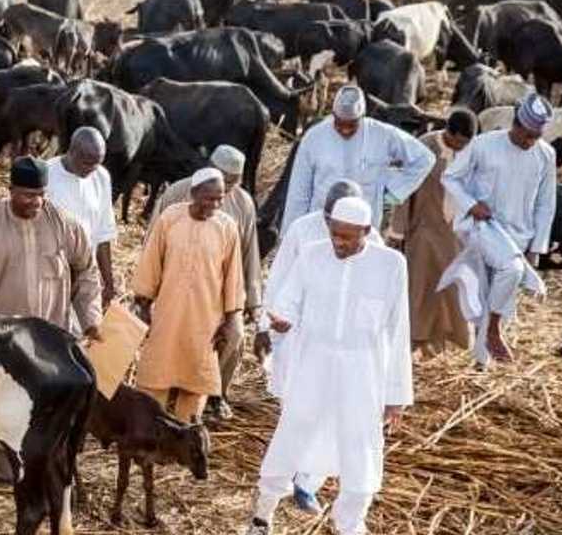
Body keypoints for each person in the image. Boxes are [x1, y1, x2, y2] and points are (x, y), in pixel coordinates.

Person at [237, 196, 412, 535]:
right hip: (313, 364)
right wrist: (279, 320)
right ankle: (260, 524)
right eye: (334, 234)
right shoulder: (313, 254)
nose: (339, 243)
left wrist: (396, 393)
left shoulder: (390, 266)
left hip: (363, 373)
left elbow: (397, 328)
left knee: (360, 460)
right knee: (288, 441)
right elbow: (287, 300)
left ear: (368, 233)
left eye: (348, 238)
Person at [0, 156, 102, 482]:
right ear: (11, 189)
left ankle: (47, 468)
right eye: (28, 195)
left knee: (49, 403)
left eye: (41, 194)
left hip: (49, 335)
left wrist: (90, 318)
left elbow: (86, 270)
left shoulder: (64, 223)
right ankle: (6, 472)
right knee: (5, 405)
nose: (36, 202)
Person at [255, 179, 384, 515]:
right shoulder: (302, 230)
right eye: (329, 222)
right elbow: (280, 278)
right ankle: (286, 474)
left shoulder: (374, 246)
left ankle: (308, 484)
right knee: (298, 410)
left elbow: (381, 305)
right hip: (301, 341)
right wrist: (267, 325)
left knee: (336, 416)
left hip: (346, 351)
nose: (334, 232)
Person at [147, 145, 261, 421]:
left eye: (234, 181)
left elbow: (247, 254)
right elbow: (153, 243)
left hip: (214, 295)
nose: (226, 188)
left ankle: (214, 394)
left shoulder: (243, 204)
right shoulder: (176, 194)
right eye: (224, 178)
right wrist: (147, 293)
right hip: (173, 289)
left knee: (232, 338)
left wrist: (251, 302)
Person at [440, 94, 557, 364]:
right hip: (482, 227)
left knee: (492, 294)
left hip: (518, 235)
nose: (529, 142)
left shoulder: (546, 155)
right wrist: (471, 205)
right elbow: (451, 177)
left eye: (535, 137)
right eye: (526, 135)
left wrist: (537, 248)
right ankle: (493, 330)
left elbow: (545, 204)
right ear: (515, 125)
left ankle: (482, 363)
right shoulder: (484, 145)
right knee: (512, 270)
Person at [132, 168, 244, 424]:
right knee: (154, 379)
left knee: (195, 384)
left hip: (205, 320)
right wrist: (143, 304)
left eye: (219, 198)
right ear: (193, 194)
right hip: (168, 315)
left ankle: (183, 438)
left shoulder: (227, 228)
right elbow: (151, 263)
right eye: (208, 198)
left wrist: (231, 318)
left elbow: (233, 277)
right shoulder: (170, 219)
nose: (214, 204)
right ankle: (151, 435)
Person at [281, 85, 435, 237]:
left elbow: (424, 159)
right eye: (340, 124)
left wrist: (393, 193)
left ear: (362, 117)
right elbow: (298, 191)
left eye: (352, 125)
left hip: (363, 226)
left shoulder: (382, 134)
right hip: (321, 225)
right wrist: (289, 234)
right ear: (333, 115)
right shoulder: (314, 137)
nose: (345, 130)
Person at [388, 109, 477, 356]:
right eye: (458, 142)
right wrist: (397, 231)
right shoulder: (423, 148)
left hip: (455, 232)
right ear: (448, 133)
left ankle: (450, 338)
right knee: (421, 286)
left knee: (454, 286)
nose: (461, 147)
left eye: (466, 144)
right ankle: (417, 338)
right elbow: (403, 192)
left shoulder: (471, 153)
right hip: (424, 229)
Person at [46, 127, 117, 310]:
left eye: (97, 164)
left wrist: (108, 283)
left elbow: (103, 234)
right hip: (50, 273)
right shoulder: (47, 174)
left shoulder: (101, 177)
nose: (91, 170)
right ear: (72, 152)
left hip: (85, 274)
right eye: (86, 163)